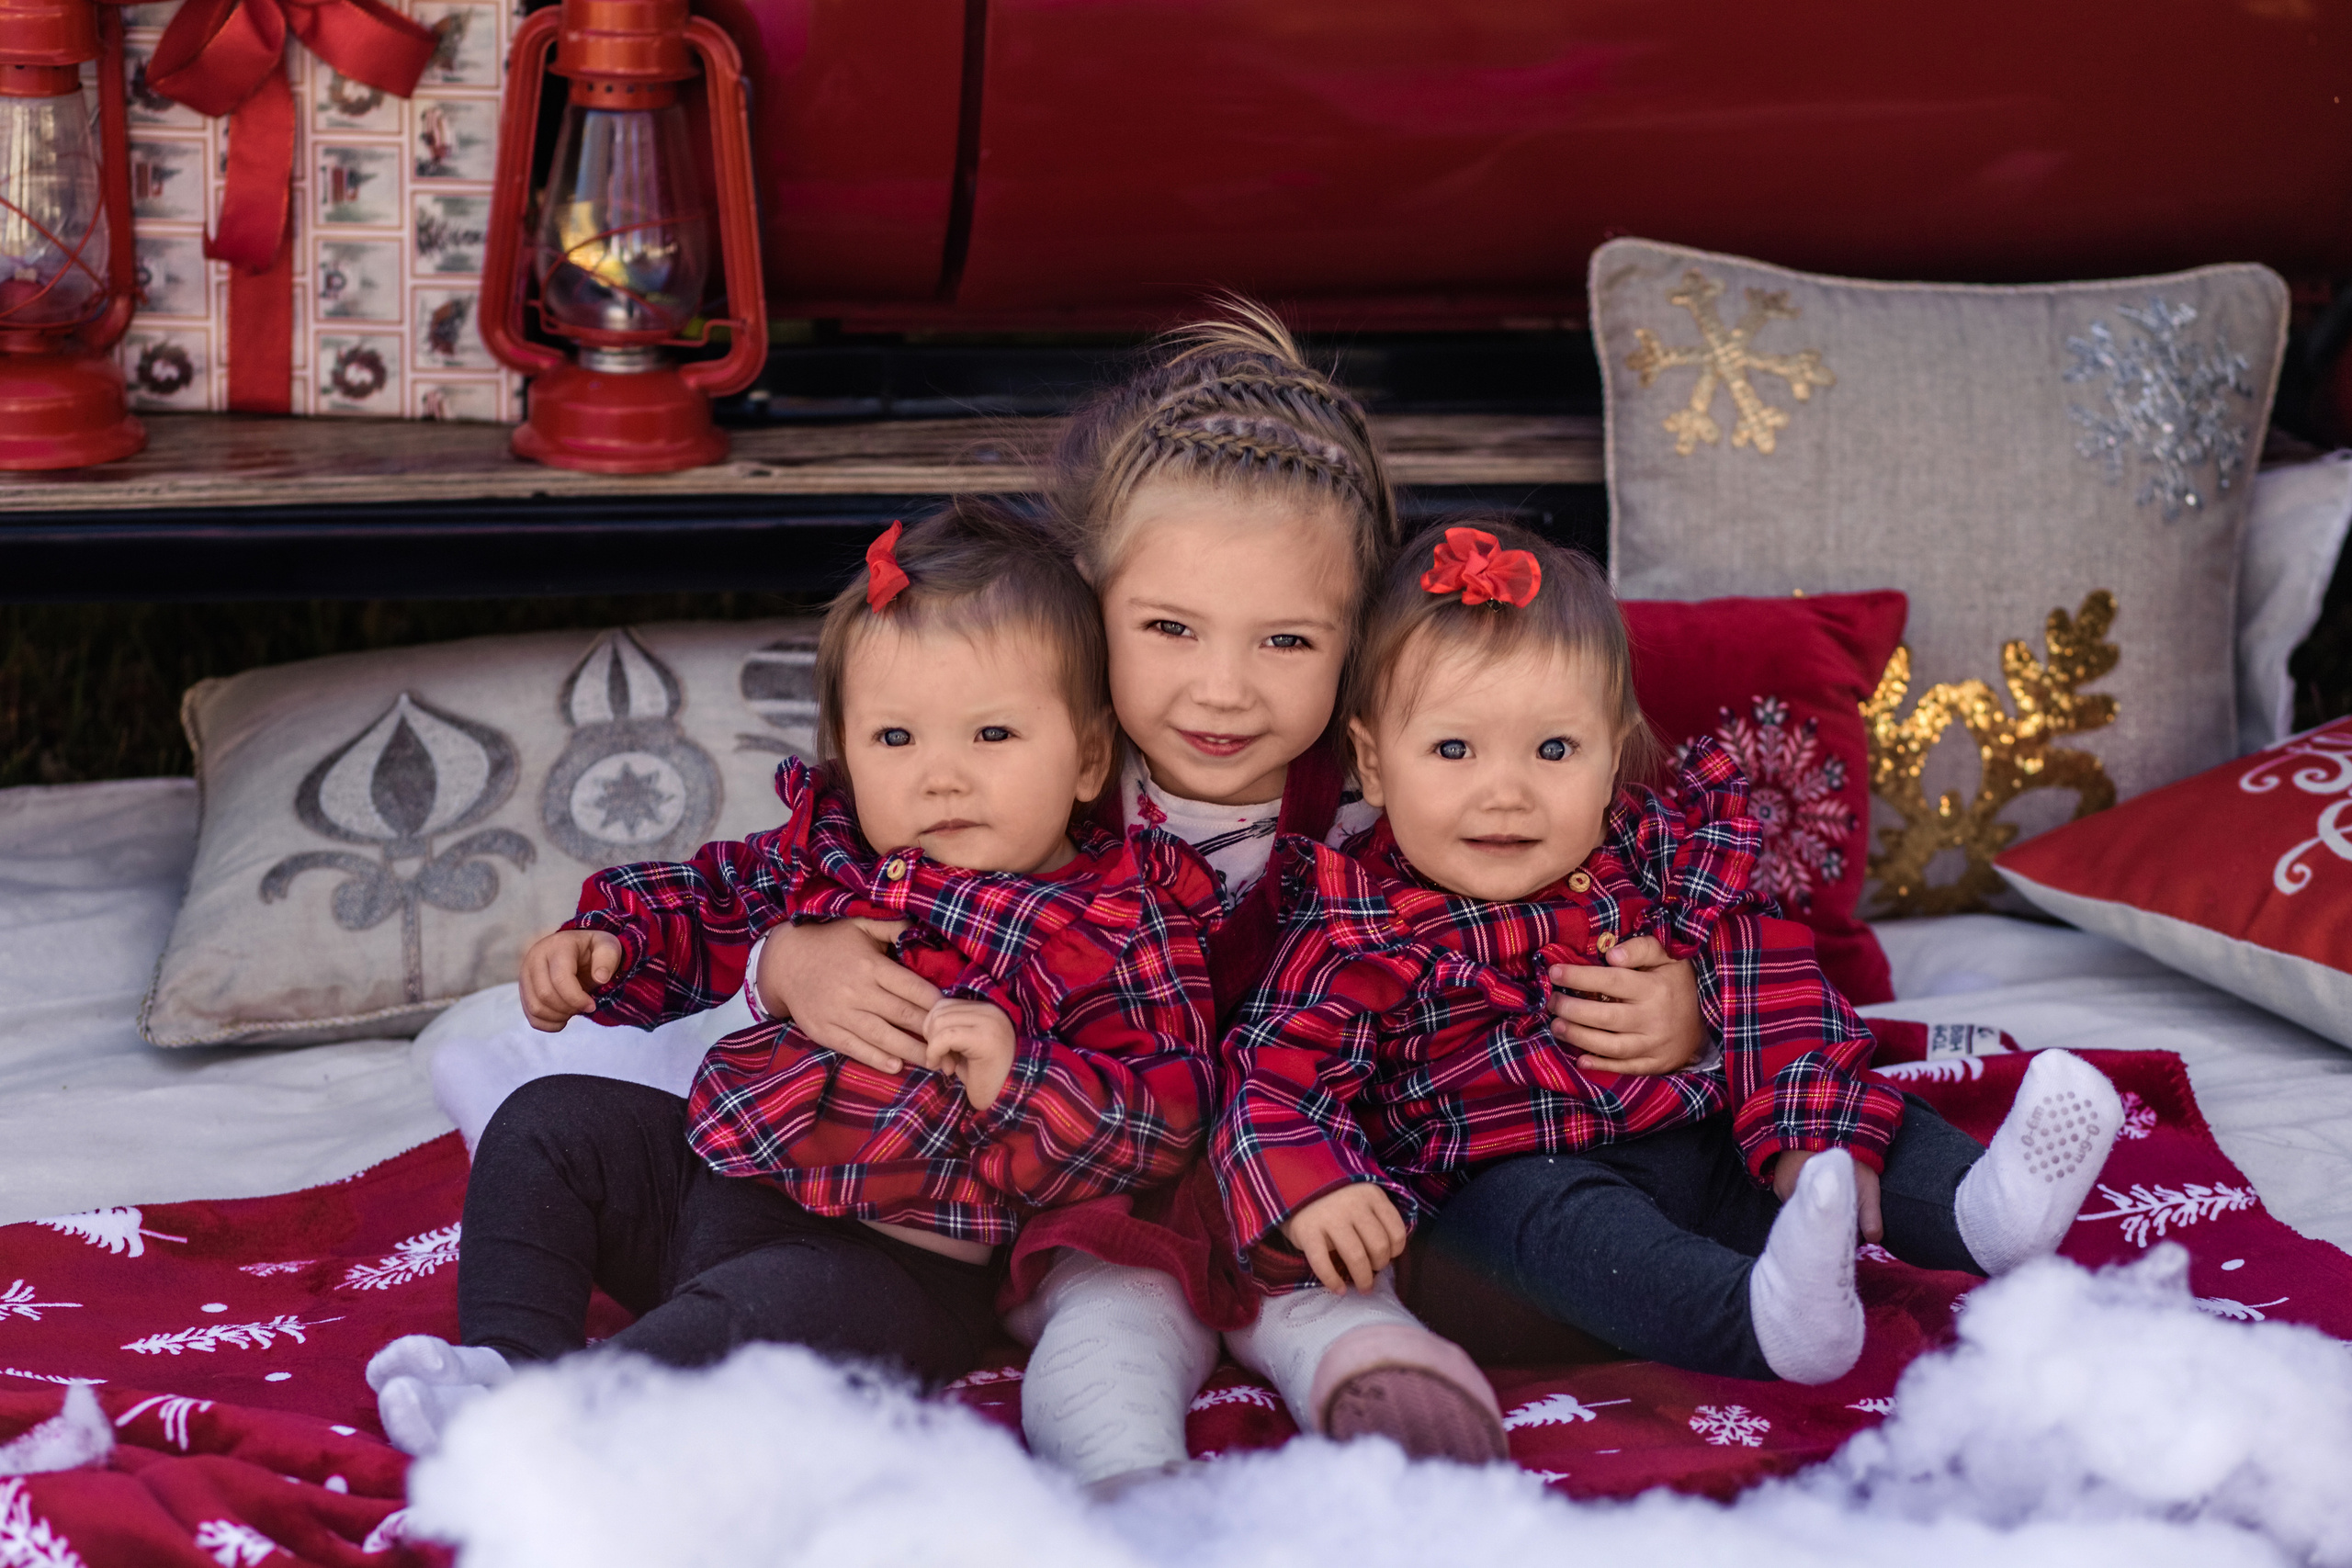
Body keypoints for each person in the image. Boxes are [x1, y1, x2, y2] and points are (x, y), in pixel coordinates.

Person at [758, 305, 1716, 1486]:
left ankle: (1383, 1391)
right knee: (1113, 1305)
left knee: (1324, 1285)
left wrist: (1679, 1008)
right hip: (1091, 1150)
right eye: (1168, 628)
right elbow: (834, 866)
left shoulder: (1411, 785)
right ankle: (1124, 1481)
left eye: (1285, 644)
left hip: (1328, 1159)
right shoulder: (1033, 761)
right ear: (1088, 603)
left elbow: (1586, 903)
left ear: (1358, 639)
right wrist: (792, 958)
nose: (1222, 691)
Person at [366, 500, 1224, 1455]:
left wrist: (1017, 1079)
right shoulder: (831, 853)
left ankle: (575, 1423)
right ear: (846, 755)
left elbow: (1169, 1111)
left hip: (886, 1266)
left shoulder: (1110, 922)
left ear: (1088, 758)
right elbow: (712, 900)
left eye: (991, 737)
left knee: (759, 1311)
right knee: (549, 1120)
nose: (941, 777)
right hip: (706, 1184)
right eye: (895, 739)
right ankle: (509, 1358)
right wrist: (610, 943)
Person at [1218, 519, 2126, 1386]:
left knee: (1859, 1113)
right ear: (1373, 765)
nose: (1504, 793)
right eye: (1453, 748)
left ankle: (1980, 1212)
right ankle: (1759, 1318)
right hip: (1513, 1227)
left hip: (1703, 1158)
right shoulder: (1358, 920)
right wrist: (1313, 1186)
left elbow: (1776, 987)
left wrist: (1808, 1132)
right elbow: (1272, 1074)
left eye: (1553, 749)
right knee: (1541, 1214)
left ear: (1612, 755)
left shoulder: (1657, 857)